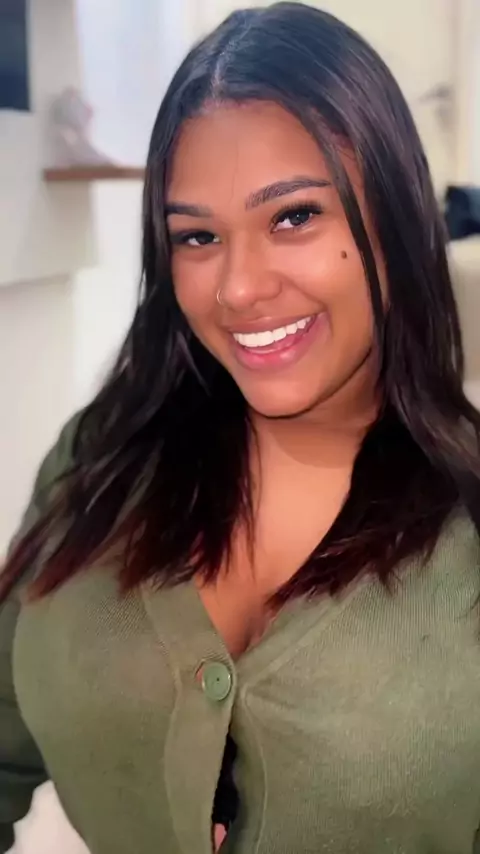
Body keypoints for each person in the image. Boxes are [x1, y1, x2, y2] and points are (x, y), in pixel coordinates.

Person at [1, 3, 480, 853]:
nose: (238, 288)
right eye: (197, 236)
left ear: (396, 217)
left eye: (293, 216)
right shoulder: (97, 460)